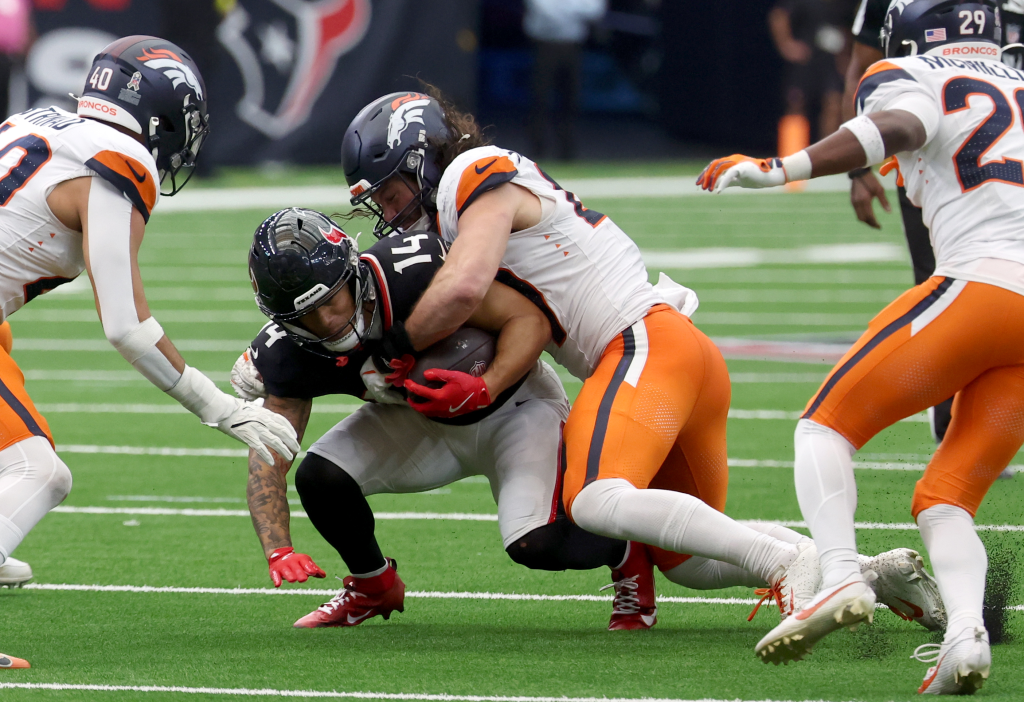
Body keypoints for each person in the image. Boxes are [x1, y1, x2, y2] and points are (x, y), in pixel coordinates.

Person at [342, 89, 945, 634]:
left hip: (642, 344)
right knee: (689, 561)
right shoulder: (464, 206)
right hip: (674, 354)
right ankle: (868, 572)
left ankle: (793, 562)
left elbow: (465, 287)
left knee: (597, 498)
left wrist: (392, 347)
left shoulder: (474, 173)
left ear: (421, 161)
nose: (390, 215)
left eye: (391, 194)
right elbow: (525, 317)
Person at [697, 0, 1018, 693]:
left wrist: (780, 168)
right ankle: (966, 634)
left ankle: (840, 576)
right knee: (948, 497)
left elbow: (896, 125)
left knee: (824, 426)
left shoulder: (909, 73)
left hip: (982, 286)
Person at [0, 36, 299, 669]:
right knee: (38, 473)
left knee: (28, 463)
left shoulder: (37, 121)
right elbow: (127, 326)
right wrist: (220, 409)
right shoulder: (119, 157)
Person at [237, 208, 647, 630]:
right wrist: (278, 549)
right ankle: (373, 585)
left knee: (536, 545)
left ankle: (625, 549)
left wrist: (487, 383)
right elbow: (269, 455)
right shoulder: (289, 350)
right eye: (305, 316)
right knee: (320, 478)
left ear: (351, 273)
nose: (326, 322)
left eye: (330, 301)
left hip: (513, 406)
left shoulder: (413, 272)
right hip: (420, 421)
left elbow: (529, 319)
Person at [846, 0, 955, 440]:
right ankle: (953, 422)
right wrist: (858, 166)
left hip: (1004, 150)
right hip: (929, 156)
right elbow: (863, 69)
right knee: (938, 287)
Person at [768, 0, 848, 176]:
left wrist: (844, 58)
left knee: (834, 104)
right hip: (805, 61)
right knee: (796, 104)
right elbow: (779, 16)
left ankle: (828, 158)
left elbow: (845, 28)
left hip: (829, 61)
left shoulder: (840, 4)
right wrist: (786, 45)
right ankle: (791, 159)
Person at [523, 0, 607, 160]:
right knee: (540, 98)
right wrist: (574, 11)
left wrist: (564, 8)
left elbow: (595, 10)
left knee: (570, 99)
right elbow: (544, 9)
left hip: (572, 46)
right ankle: (537, 148)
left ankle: (567, 149)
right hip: (545, 44)